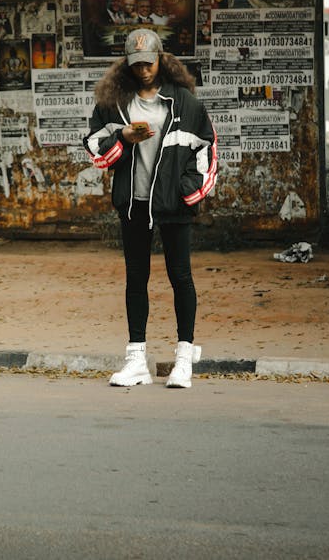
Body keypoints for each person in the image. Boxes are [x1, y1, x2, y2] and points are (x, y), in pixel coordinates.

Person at [83, 28, 217, 388]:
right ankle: (136, 360)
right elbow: (95, 146)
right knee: (135, 278)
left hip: (171, 205)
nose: (143, 69)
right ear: (126, 66)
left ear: (162, 60)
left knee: (180, 277)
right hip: (134, 204)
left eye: (149, 62)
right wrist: (123, 138)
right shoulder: (115, 104)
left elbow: (205, 150)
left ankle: (183, 360)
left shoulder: (184, 103)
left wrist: (187, 193)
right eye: (136, 64)